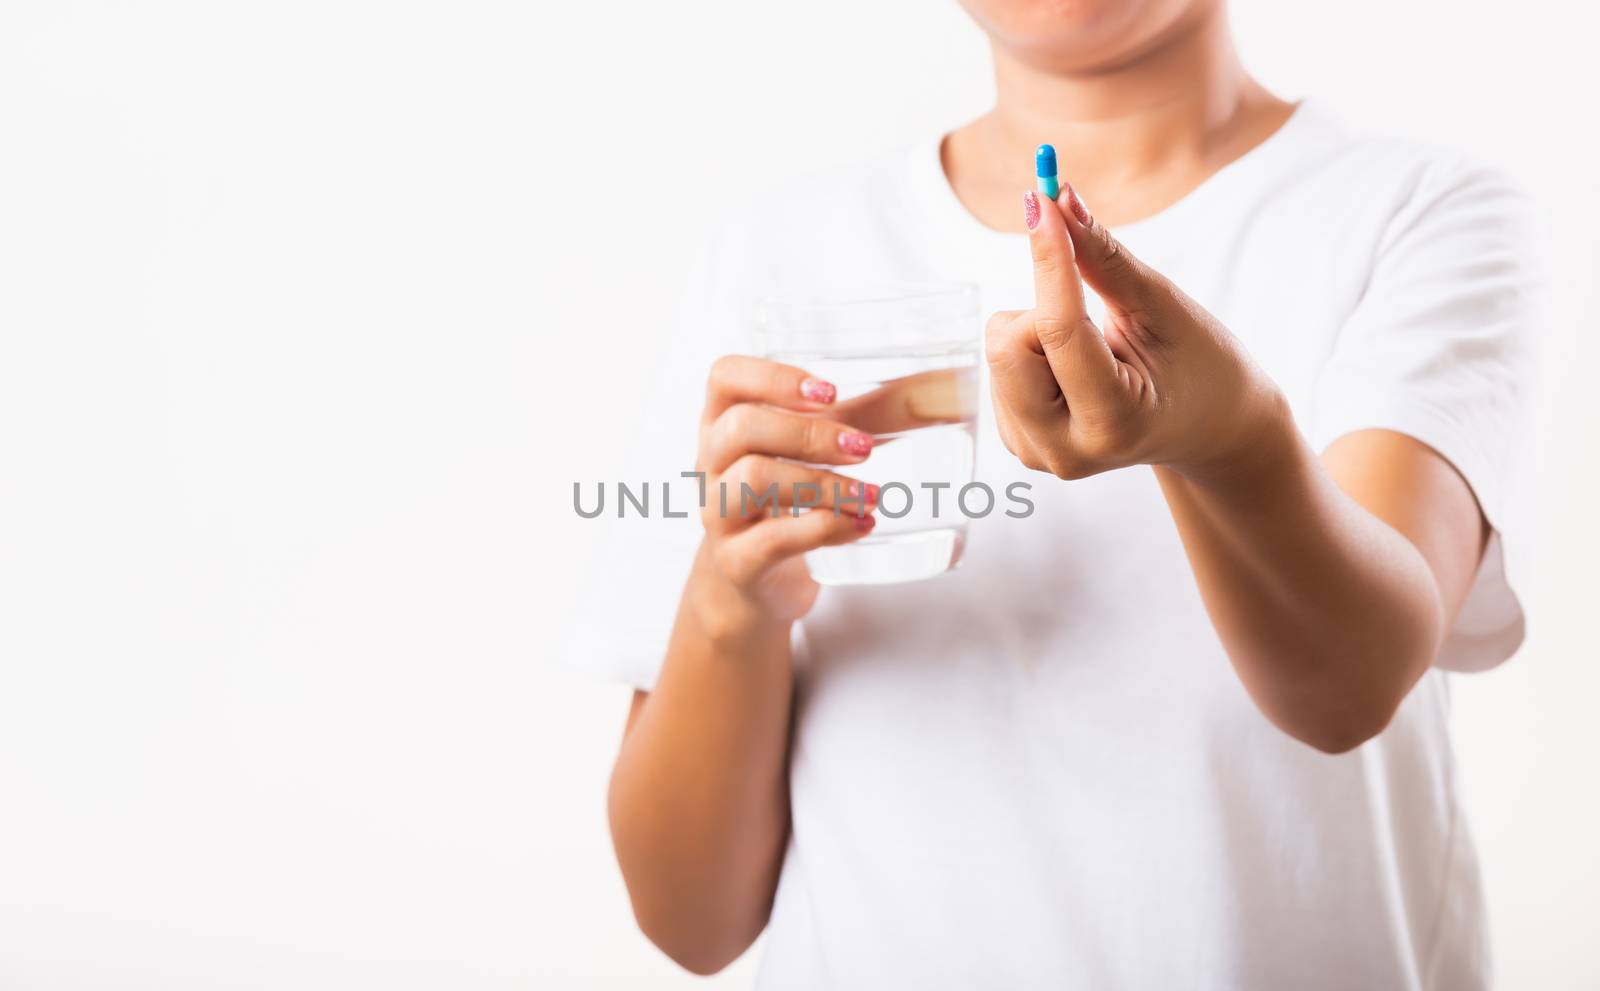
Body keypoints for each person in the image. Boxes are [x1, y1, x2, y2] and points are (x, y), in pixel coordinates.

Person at [583, 0, 1543, 986]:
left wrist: (1229, 441)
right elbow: (689, 921)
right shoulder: (780, 256)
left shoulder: (1414, 215)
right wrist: (731, 598)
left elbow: (1347, 687)